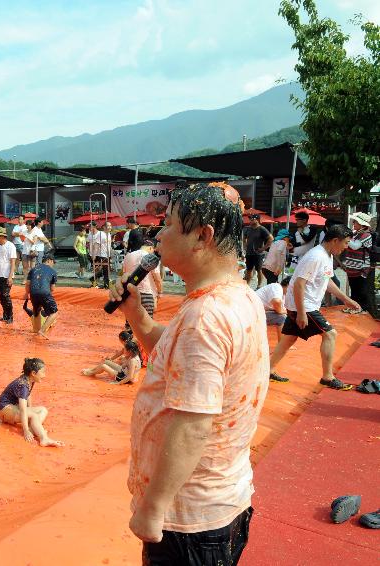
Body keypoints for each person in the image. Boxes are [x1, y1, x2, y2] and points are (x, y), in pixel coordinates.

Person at [110, 182, 268, 562]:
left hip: (190, 521)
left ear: (202, 236)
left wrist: (154, 507)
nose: (159, 234)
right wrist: (137, 315)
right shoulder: (235, 294)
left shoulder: (206, 316)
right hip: (219, 501)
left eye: (168, 224)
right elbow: (175, 354)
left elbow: (194, 424)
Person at [268, 224, 362, 389]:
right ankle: (327, 377)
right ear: (335, 240)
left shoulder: (327, 255)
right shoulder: (316, 256)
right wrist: (301, 313)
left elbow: (327, 281)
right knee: (330, 334)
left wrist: (346, 299)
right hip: (304, 305)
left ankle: (267, 370)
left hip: (301, 305)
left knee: (288, 339)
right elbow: (298, 284)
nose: (346, 247)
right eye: (345, 243)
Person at [0, 358, 63, 447]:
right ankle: (44, 438)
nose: (44, 375)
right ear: (33, 373)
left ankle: (35, 429)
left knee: (43, 410)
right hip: (4, 409)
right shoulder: (23, 385)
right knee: (34, 416)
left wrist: (30, 409)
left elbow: (28, 395)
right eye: (43, 372)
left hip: (13, 407)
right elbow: (23, 410)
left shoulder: (30, 380)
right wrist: (25, 430)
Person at [341, 212, 375, 314]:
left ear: (362, 224)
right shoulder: (355, 234)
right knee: (354, 290)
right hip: (352, 267)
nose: (354, 223)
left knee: (360, 290)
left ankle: (362, 309)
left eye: (355, 222)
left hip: (361, 268)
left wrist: (345, 236)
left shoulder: (367, 235)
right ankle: (354, 307)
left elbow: (355, 246)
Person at [121, 239, 162, 320]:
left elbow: (124, 273)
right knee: (146, 322)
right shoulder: (151, 258)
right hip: (146, 293)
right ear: (151, 248)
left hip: (130, 292)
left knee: (130, 322)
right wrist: (160, 292)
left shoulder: (128, 256)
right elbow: (157, 278)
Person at [24, 255, 59, 339]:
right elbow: (52, 289)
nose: (53, 265)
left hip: (33, 293)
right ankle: (42, 331)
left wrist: (27, 293)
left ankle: (36, 330)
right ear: (49, 260)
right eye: (53, 263)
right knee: (54, 313)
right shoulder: (52, 271)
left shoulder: (33, 269)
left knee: (36, 312)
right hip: (44, 293)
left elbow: (27, 284)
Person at [0, 227, 17, 324]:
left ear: (2, 236)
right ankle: (5, 315)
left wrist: (10, 276)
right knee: (1, 296)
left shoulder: (11, 246)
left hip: (7, 274)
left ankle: (10, 316)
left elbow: (13, 262)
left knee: (6, 295)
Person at [242, 214, 273, 288]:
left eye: (252, 219)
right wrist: (244, 246)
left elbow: (271, 238)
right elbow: (244, 238)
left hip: (258, 254)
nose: (251, 220)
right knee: (248, 270)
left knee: (259, 270)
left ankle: (259, 286)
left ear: (257, 220)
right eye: (250, 219)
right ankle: (247, 286)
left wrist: (263, 248)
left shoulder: (262, 229)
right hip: (249, 253)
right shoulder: (248, 229)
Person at [256, 277, 290, 341]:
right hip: (252, 312)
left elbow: (282, 308)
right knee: (282, 317)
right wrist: (281, 311)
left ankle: (282, 343)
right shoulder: (277, 287)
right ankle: (282, 344)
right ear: (288, 285)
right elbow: (276, 302)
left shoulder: (283, 294)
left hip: (257, 311)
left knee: (284, 316)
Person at [88, 223, 111, 289]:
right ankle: (106, 285)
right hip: (102, 255)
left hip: (107, 255)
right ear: (103, 227)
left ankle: (93, 278)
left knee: (106, 270)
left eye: (110, 226)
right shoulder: (101, 234)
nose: (109, 227)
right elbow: (96, 245)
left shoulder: (109, 234)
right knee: (106, 270)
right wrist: (94, 255)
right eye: (108, 226)